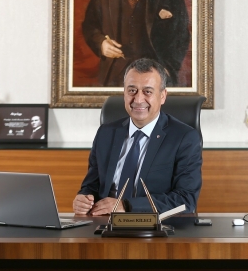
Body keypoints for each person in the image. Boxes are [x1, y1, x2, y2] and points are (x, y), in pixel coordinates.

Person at [73, 58, 202, 215]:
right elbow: (91, 186)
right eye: (132, 90)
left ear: (162, 96)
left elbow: (185, 200)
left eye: (147, 91)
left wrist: (126, 206)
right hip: (105, 223)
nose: (138, 99)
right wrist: (84, 198)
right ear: (124, 93)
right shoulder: (105, 133)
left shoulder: (185, 138)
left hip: (154, 225)